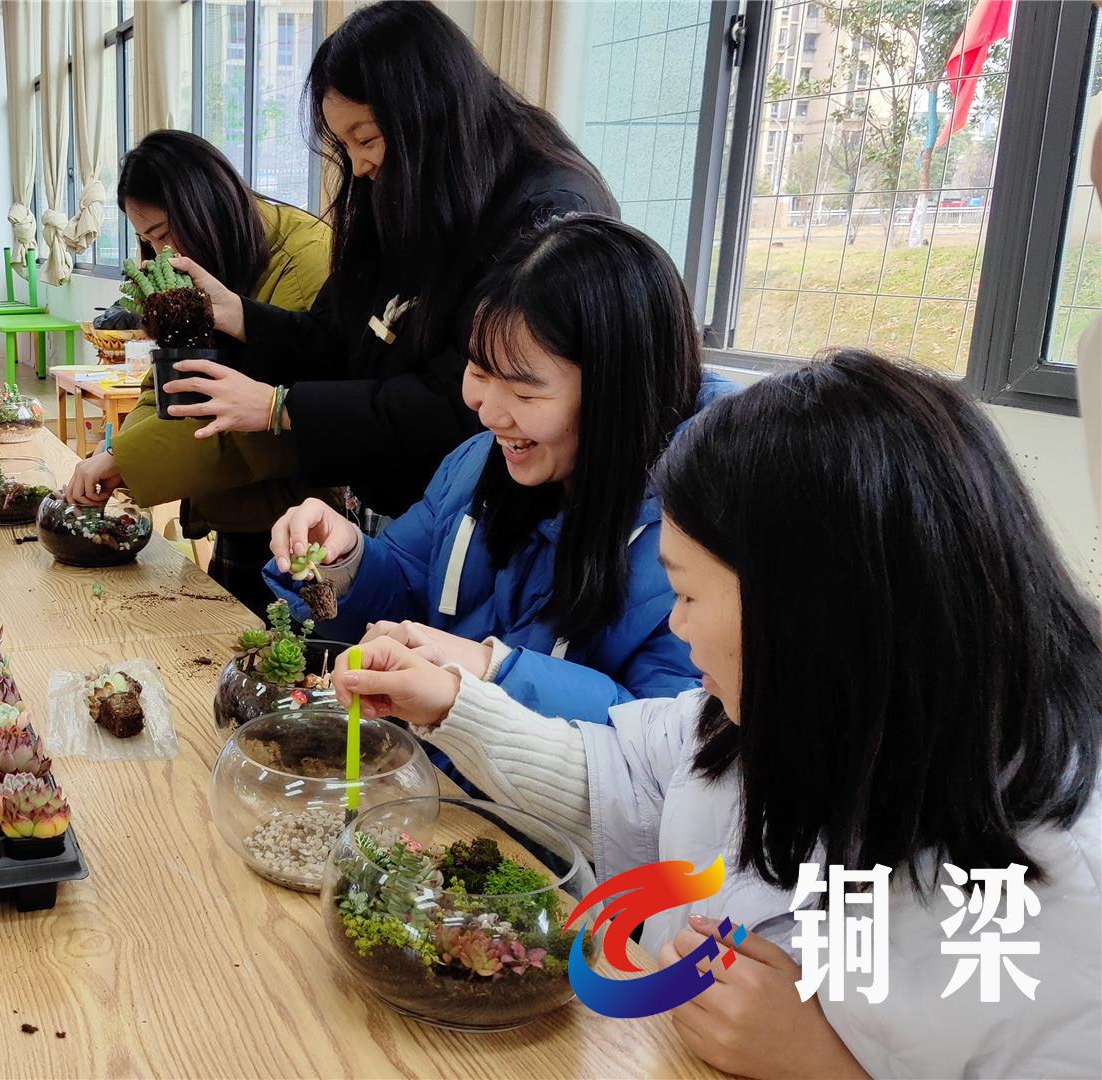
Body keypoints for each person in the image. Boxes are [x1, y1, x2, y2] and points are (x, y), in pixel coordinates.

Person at [334, 350, 1102, 1079]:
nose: (676, 625)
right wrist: (454, 708)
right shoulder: (786, 706)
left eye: (691, 595)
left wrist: (827, 1066)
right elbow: (633, 777)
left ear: (813, 615)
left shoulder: (1066, 890)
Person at [159, 0, 615, 522]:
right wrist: (235, 313)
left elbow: (463, 405)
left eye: (367, 138)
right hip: (404, 508)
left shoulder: (544, 214)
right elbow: (340, 336)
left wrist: (280, 407)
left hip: (492, 515)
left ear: (428, 111)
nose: (358, 165)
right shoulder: (419, 191)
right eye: (345, 144)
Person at [268, 216, 731, 725]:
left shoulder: (705, 538)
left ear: (618, 394)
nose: (486, 410)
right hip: (430, 775)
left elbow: (672, 738)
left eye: (525, 391)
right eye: (478, 371)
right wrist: (347, 559)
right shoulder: (476, 465)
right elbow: (408, 589)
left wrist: (487, 669)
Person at [66, 130, 336, 608]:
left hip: (301, 523)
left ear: (204, 204)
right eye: (149, 242)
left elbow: (264, 423)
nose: (162, 256)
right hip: (233, 509)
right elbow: (169, 382)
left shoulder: (303, 259)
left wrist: (125, 460)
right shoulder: (206, 258)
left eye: (166, 233)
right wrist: (118, 451)